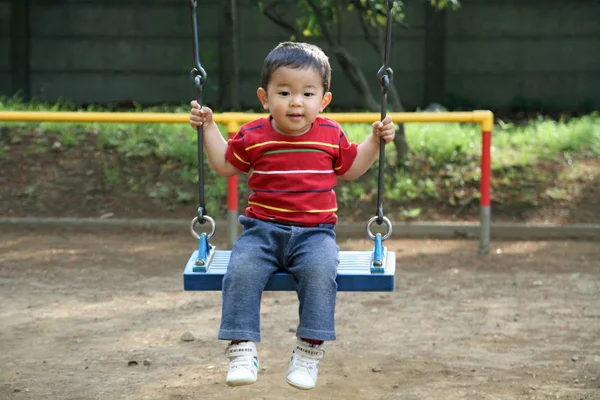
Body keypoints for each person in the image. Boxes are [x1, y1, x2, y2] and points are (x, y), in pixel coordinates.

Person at [189, 41, 395, 390]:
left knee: (320, 274)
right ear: (265, 98)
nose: (296, 102)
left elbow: (351, 168)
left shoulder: (331, 134)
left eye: (307, 93)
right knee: (240, 271)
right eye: (284, 92)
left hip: (315, 234)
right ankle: (241, 348)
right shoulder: (253, 134)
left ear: (323, 100)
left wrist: (374, 142)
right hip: (261, 231)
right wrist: (208, 127)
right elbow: (224, 164)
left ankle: (308, 351)